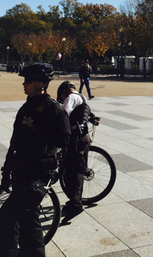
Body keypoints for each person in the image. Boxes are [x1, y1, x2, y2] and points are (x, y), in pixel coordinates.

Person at [0, 64, 70, 257]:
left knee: (6, 216)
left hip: (39, 175)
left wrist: (42, 134)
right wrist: (7, 168)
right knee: (30, 222)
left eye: (27, 81)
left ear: (40, 83)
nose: (24, 84)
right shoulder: (26, 107)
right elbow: (15, 141)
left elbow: (64, 139)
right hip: (22, 171)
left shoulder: (54, 109)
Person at [57, 80, 92, 220]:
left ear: (65, 91)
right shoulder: (82, 97)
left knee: (73, 173)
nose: (63, 99)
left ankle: (76, 205)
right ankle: (73, 201)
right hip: (84, 138)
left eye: (62, 96)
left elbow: (63, 115)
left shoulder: (70, 98)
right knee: (77, 170)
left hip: (76, 140)